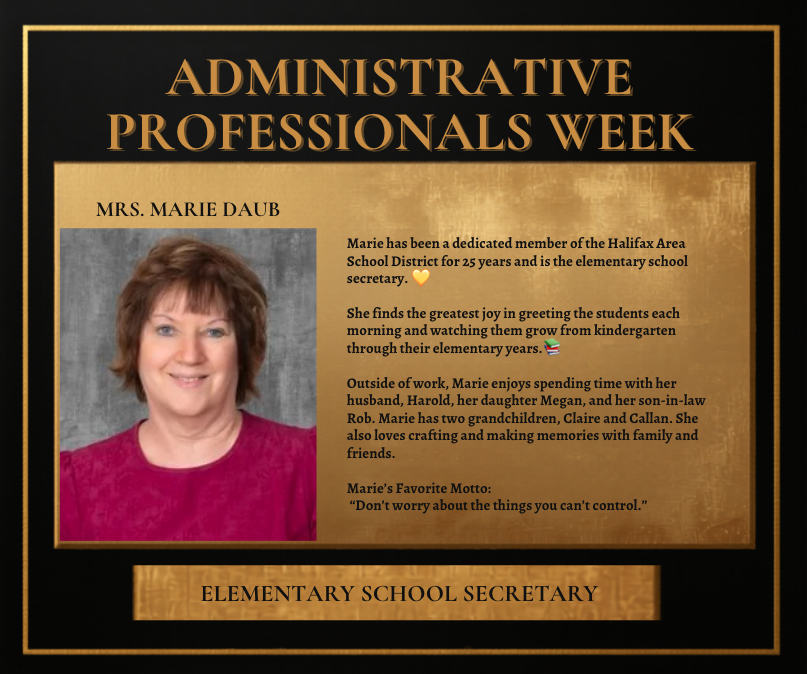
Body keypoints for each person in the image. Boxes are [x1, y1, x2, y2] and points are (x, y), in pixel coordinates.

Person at [59, 237, 316, 541]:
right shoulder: (71, 486)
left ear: (244, 350)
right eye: (166, 329)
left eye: (214, 331)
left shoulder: (311, 468)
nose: (190, 355)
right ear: (136, 345)